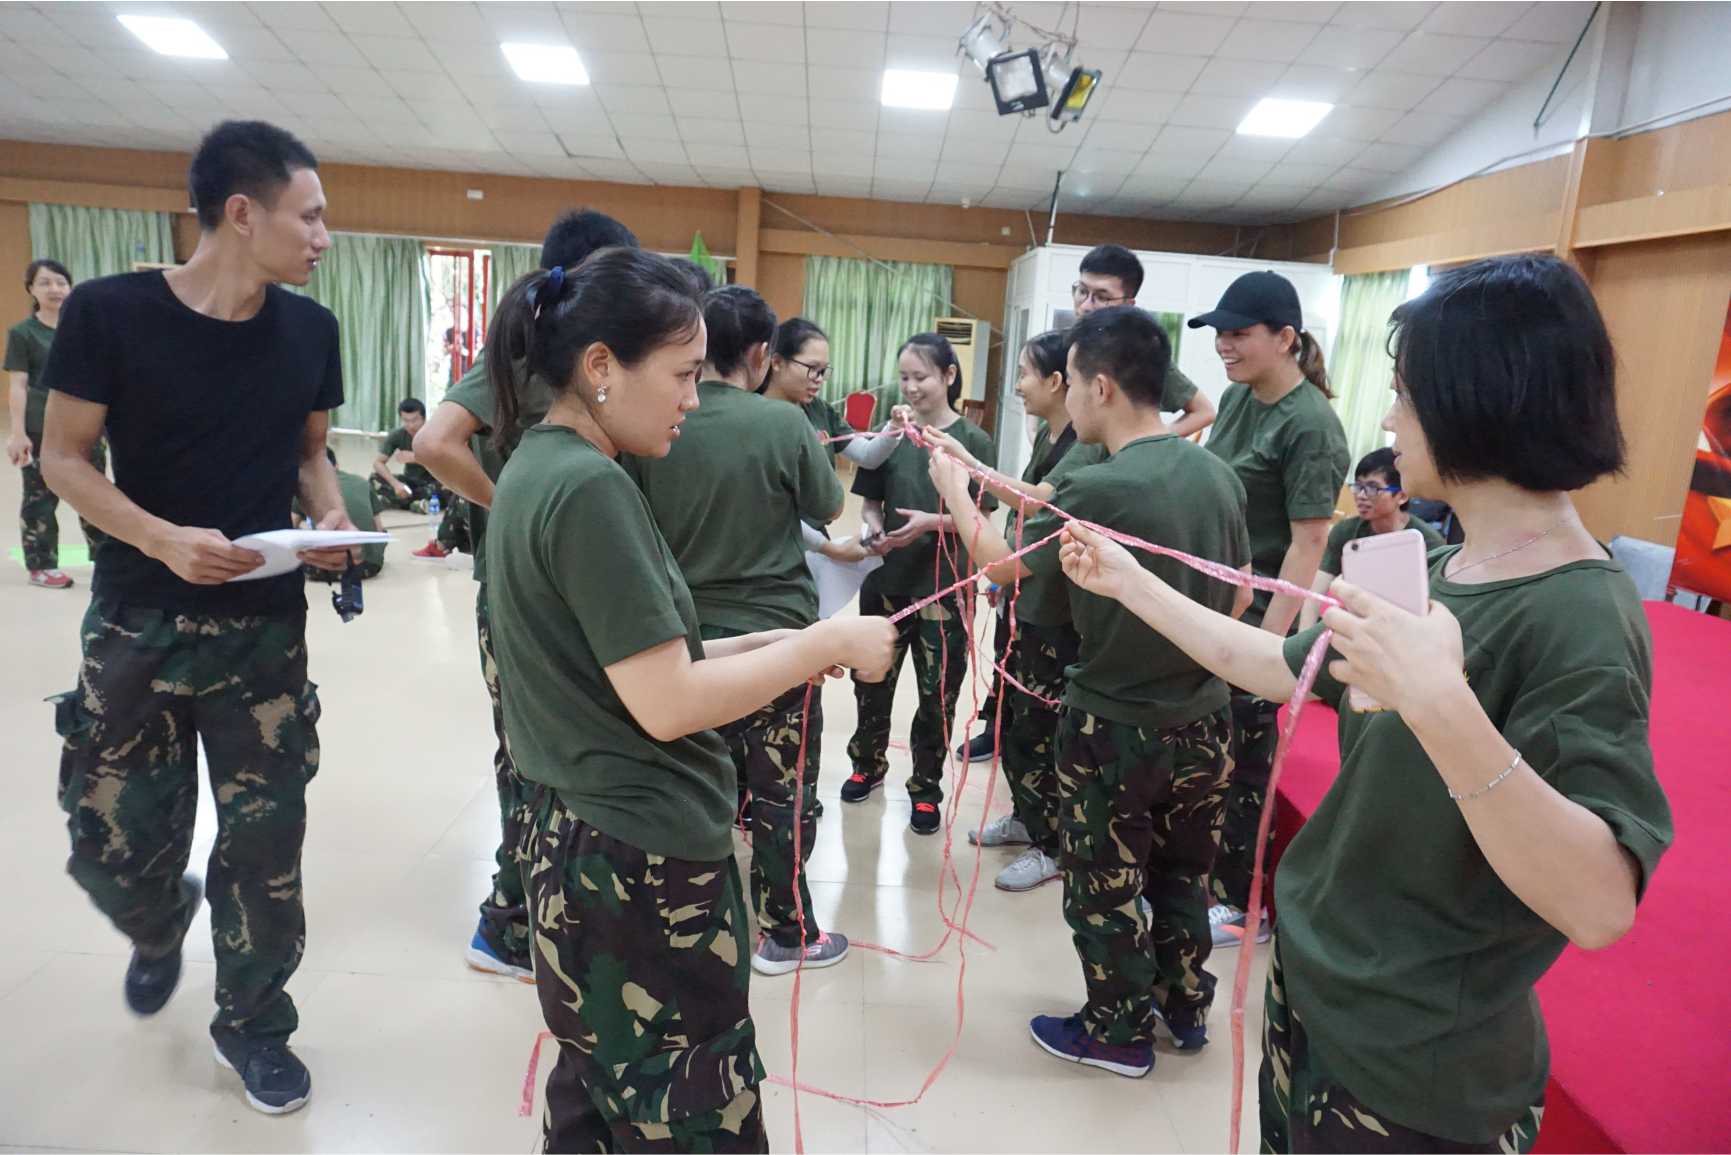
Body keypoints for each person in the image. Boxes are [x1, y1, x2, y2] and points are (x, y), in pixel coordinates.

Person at [1058, 253, 1672, 1152]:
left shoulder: (1579, 609)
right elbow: (1278, 665)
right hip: (1319, 1001)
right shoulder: (1441, 563)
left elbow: (1600, 903)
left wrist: (1438, 704)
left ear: (1477, 399)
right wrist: (1129, 584)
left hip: (1414, 1070)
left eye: (1405, 394)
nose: (1387, 419)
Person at [483, 250, 894, 1152]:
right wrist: (828, 640)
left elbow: (640, 657)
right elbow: (667, 703)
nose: (692, 398)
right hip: (635, 866)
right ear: (599, 367)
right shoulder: (592, 490)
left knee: (598, 1086)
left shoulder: (538, 466)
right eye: (676, 374)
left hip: (575, 839)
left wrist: (776, 647)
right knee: (690, 1103)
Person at [38, 119, 354, 1116]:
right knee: (111, 846)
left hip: (265, 631)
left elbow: (309, 452)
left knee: (265, 844)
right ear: (240, 213)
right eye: (309, 216)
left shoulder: (311, 331)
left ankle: (254, 1024)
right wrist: (162, 537)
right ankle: (156, 918)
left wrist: (331, 513)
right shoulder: (108, 315)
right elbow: (62, 460)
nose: (323, 236)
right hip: (138, 622)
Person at [935, 307, 1249, 1072]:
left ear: (1098, 387)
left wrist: (951, 486)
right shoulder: (1215, 474)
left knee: (1104, 885)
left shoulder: (1097, 484)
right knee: (1182, 874)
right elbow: (1237, 602)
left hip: (1116, 729)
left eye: (1069, 381)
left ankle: (1116, 1032)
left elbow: (1005, 566)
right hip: (1205, 722)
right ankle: (1184, 1008)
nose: (1064, 394)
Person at [413, 208, 640, 981]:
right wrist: (508, 502)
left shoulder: (586, 361)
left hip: (571, 580)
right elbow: (433, 442)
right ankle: (508, 921)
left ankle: (552, 907)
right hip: (530, 591)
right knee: (534, 754)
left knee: (560, 746)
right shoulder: (529, 356)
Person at [622, 286, 850, 976]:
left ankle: (674, 925)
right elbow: (829, 505)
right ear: (761, 354)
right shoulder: (781, 425)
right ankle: (786, 930)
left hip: (680, 640)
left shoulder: (652, 425)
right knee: (783, 789)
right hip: (778, 641)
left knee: (687, 786)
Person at [1191, 269, 1349, 947]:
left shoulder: (1310, 425)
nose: (1224, 346)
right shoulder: (1236, 398)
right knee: (1209, 753)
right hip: (1217, 603)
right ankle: (1201, 878)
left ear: (1286, 338)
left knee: (1246, 761)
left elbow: (1309, 541)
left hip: (1260, 622)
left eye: (1239, 334)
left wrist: (1271, 649)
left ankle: (1240, 902)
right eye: (1220, 334)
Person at [922, 330, 1102, 892]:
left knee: (1045, 729)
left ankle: (1052, 844)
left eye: (1026, 374)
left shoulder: (1085, 446)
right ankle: (1029, 817)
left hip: (1057, 613)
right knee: (1019, 726)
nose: (1018, 386)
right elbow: (1030, 509)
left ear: (1058, 382)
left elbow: (1037, 503)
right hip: (1029, 602)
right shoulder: (1051, 435)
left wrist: (962, 472)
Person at [841, 332, 997, 835]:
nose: (910, 388)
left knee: (937, 695)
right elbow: (867, 499)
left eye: (921, 377)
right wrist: (872, 527)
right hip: (885, 582)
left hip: (943, 590)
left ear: (949, 376)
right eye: (904, 377)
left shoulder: (972, 442)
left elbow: (982, 522)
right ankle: (866, 765)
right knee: (872, 683)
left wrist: (933, 523)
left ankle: (926, 789)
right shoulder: (891, 437)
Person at [6, 257, 108, 588]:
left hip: (87, 426)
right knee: (40, 499)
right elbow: (18, 385)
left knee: (94, 494)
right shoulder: (23, 333)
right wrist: (18, 433)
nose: (55, 289)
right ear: (31, 289)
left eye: (61, 282)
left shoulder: (84, 329)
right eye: (45, 282)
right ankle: (41, 564)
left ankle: (104, 558)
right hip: (40, 428)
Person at [1072, 244, 1214, 438]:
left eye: (1102, 297)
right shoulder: (1067, 342)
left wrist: (1142, 446)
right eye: (1082, 291)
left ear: (1127, 304)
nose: (1086, 305)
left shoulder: (1138, 355)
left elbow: (1204, 412)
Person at [1299, 447, 1445, 630]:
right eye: (1358, 486)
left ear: (1401, 496)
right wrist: (1302, 643)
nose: (1361, 495)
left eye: (1373, 488)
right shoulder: (1345, 531)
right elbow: (1315, 595)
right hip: (1350, 622)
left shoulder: (1427, 543)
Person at [760, 316, 900, 471]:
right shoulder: (751, 413)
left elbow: (867, 456)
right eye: (813, 368)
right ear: (777, 362)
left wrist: (894, 426)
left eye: (823, 371)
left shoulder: (819, 410)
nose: (820, 379)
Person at [370, 397, 467, 560]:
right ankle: (415, 503)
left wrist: (415, 457)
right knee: (374, 479)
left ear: (423, 418)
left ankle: (411, 502)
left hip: (435, 481)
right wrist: (395, 484)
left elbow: (449, 459)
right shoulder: (398, 435)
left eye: (414, 420)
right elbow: (378, 463)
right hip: (411, 483)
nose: (410, 425)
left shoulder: (436, 433)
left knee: (451, 490)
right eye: (405, 420)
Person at [296, 447, 384, 581]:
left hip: (322, 567)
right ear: (336, 465)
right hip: (369, 567)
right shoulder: (361, 481)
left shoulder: (307, 485)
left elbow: (291, 524)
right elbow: (379, 529)